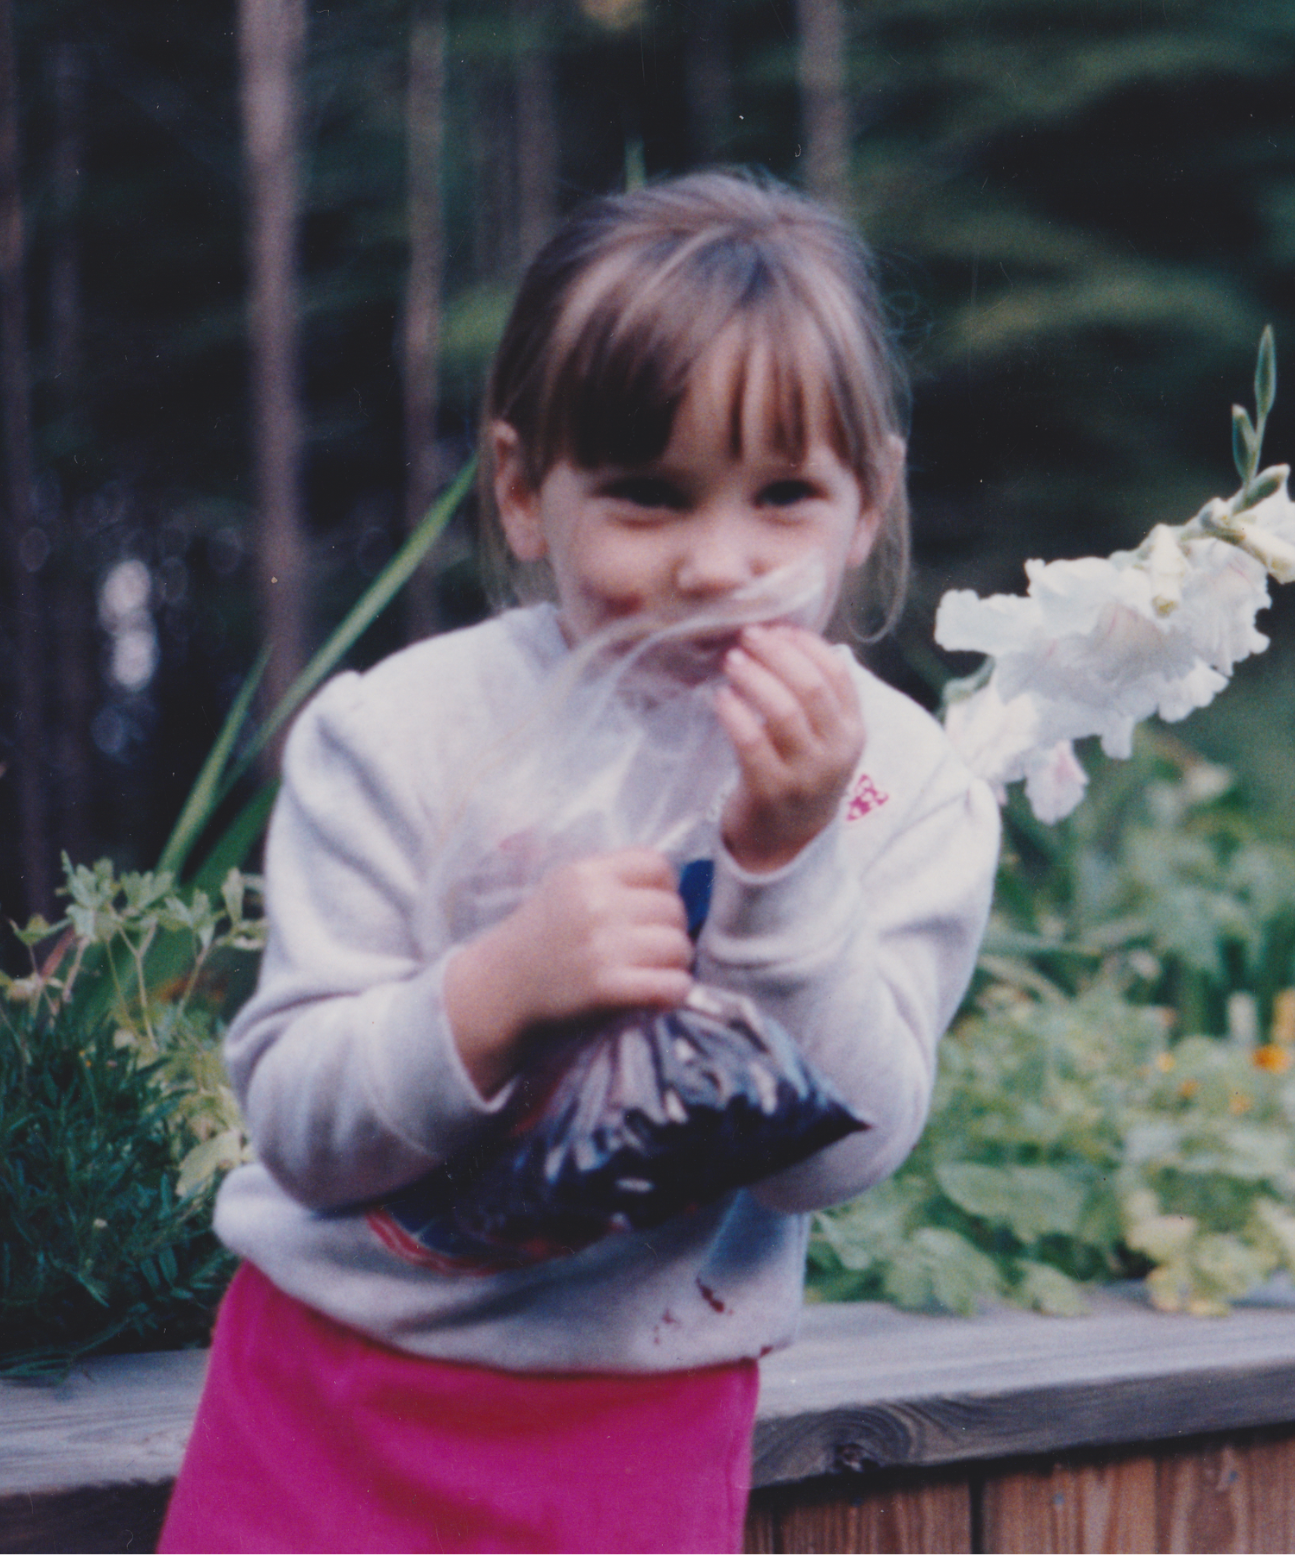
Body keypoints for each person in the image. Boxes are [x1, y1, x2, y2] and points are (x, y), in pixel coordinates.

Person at [159, 172, 1001, 1553]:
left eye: (783, 494)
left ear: (870, 504)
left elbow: (836, 1158)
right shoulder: (405, 734)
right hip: (330, 1389)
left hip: (638, 1417)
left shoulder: (903, 785)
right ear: (523, 490)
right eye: (648, 497)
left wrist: (783, 865)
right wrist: (494, 991)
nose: (717, 561)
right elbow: (298, 1121)